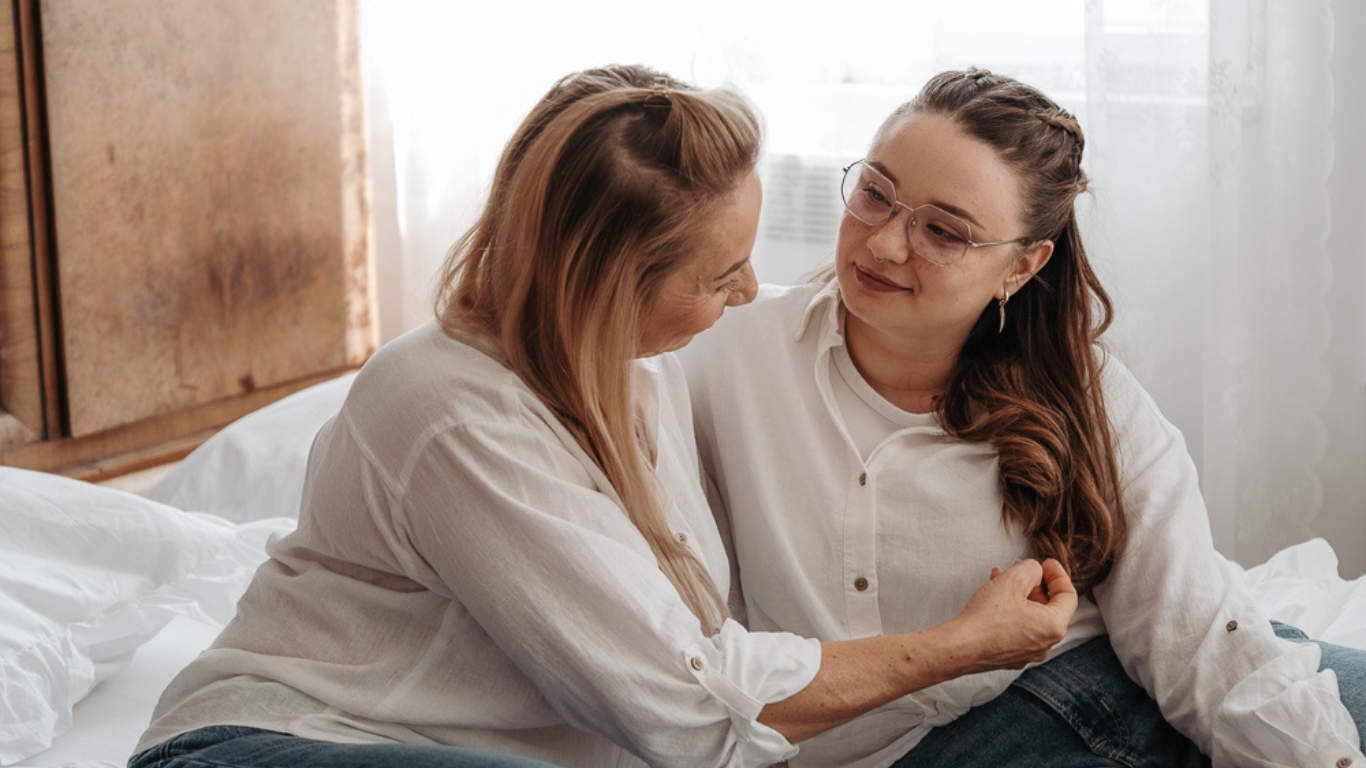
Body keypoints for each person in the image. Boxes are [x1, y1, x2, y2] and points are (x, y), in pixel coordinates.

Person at [128, 65, 1080, 768]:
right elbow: (687, 714)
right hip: (274, 745)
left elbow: (699, 658)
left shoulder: (642, 375)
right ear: (608, 289)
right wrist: (960, 646)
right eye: (718, 277)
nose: (752, 294)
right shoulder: (453, 412)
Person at [682, 67, 1366, 768]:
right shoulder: (726, 351)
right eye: (875, 193)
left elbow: (1194, 633)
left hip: (1101, 684)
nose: (884, 244)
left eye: (944, 232)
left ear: (1022, 265)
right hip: (984, 734)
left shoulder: (1087, 396)